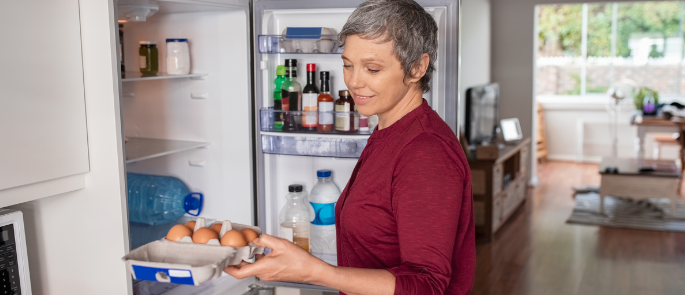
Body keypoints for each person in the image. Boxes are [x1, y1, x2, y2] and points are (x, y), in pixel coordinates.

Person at [225, 0, 475, 294]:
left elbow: (427, 285)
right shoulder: (390, 130)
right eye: (347, 65)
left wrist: (315, 273)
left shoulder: (426, 154)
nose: (354, 82)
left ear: (417, 67)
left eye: (372, 68)